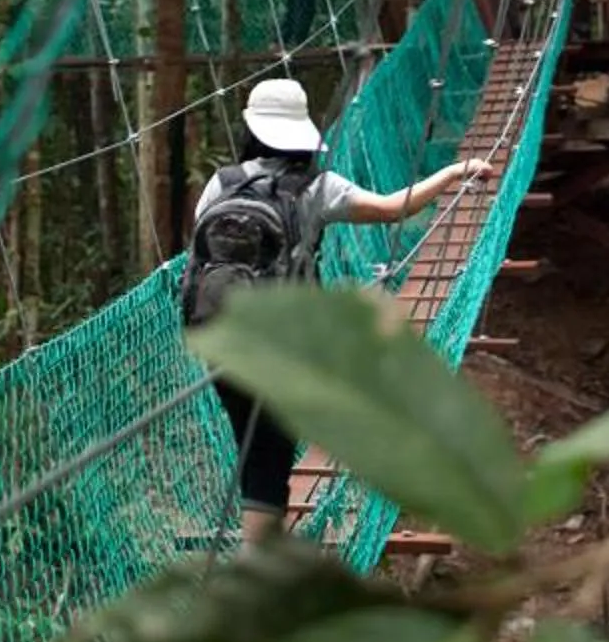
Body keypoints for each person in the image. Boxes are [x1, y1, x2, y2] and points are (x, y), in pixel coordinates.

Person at [184, 77, 494, 547]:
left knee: (254, 447)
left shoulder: (221, 183)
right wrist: (453, 173)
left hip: (219, 339)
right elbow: (393, 208)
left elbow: (203, 255)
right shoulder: (318, 187)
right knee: (272, 454)